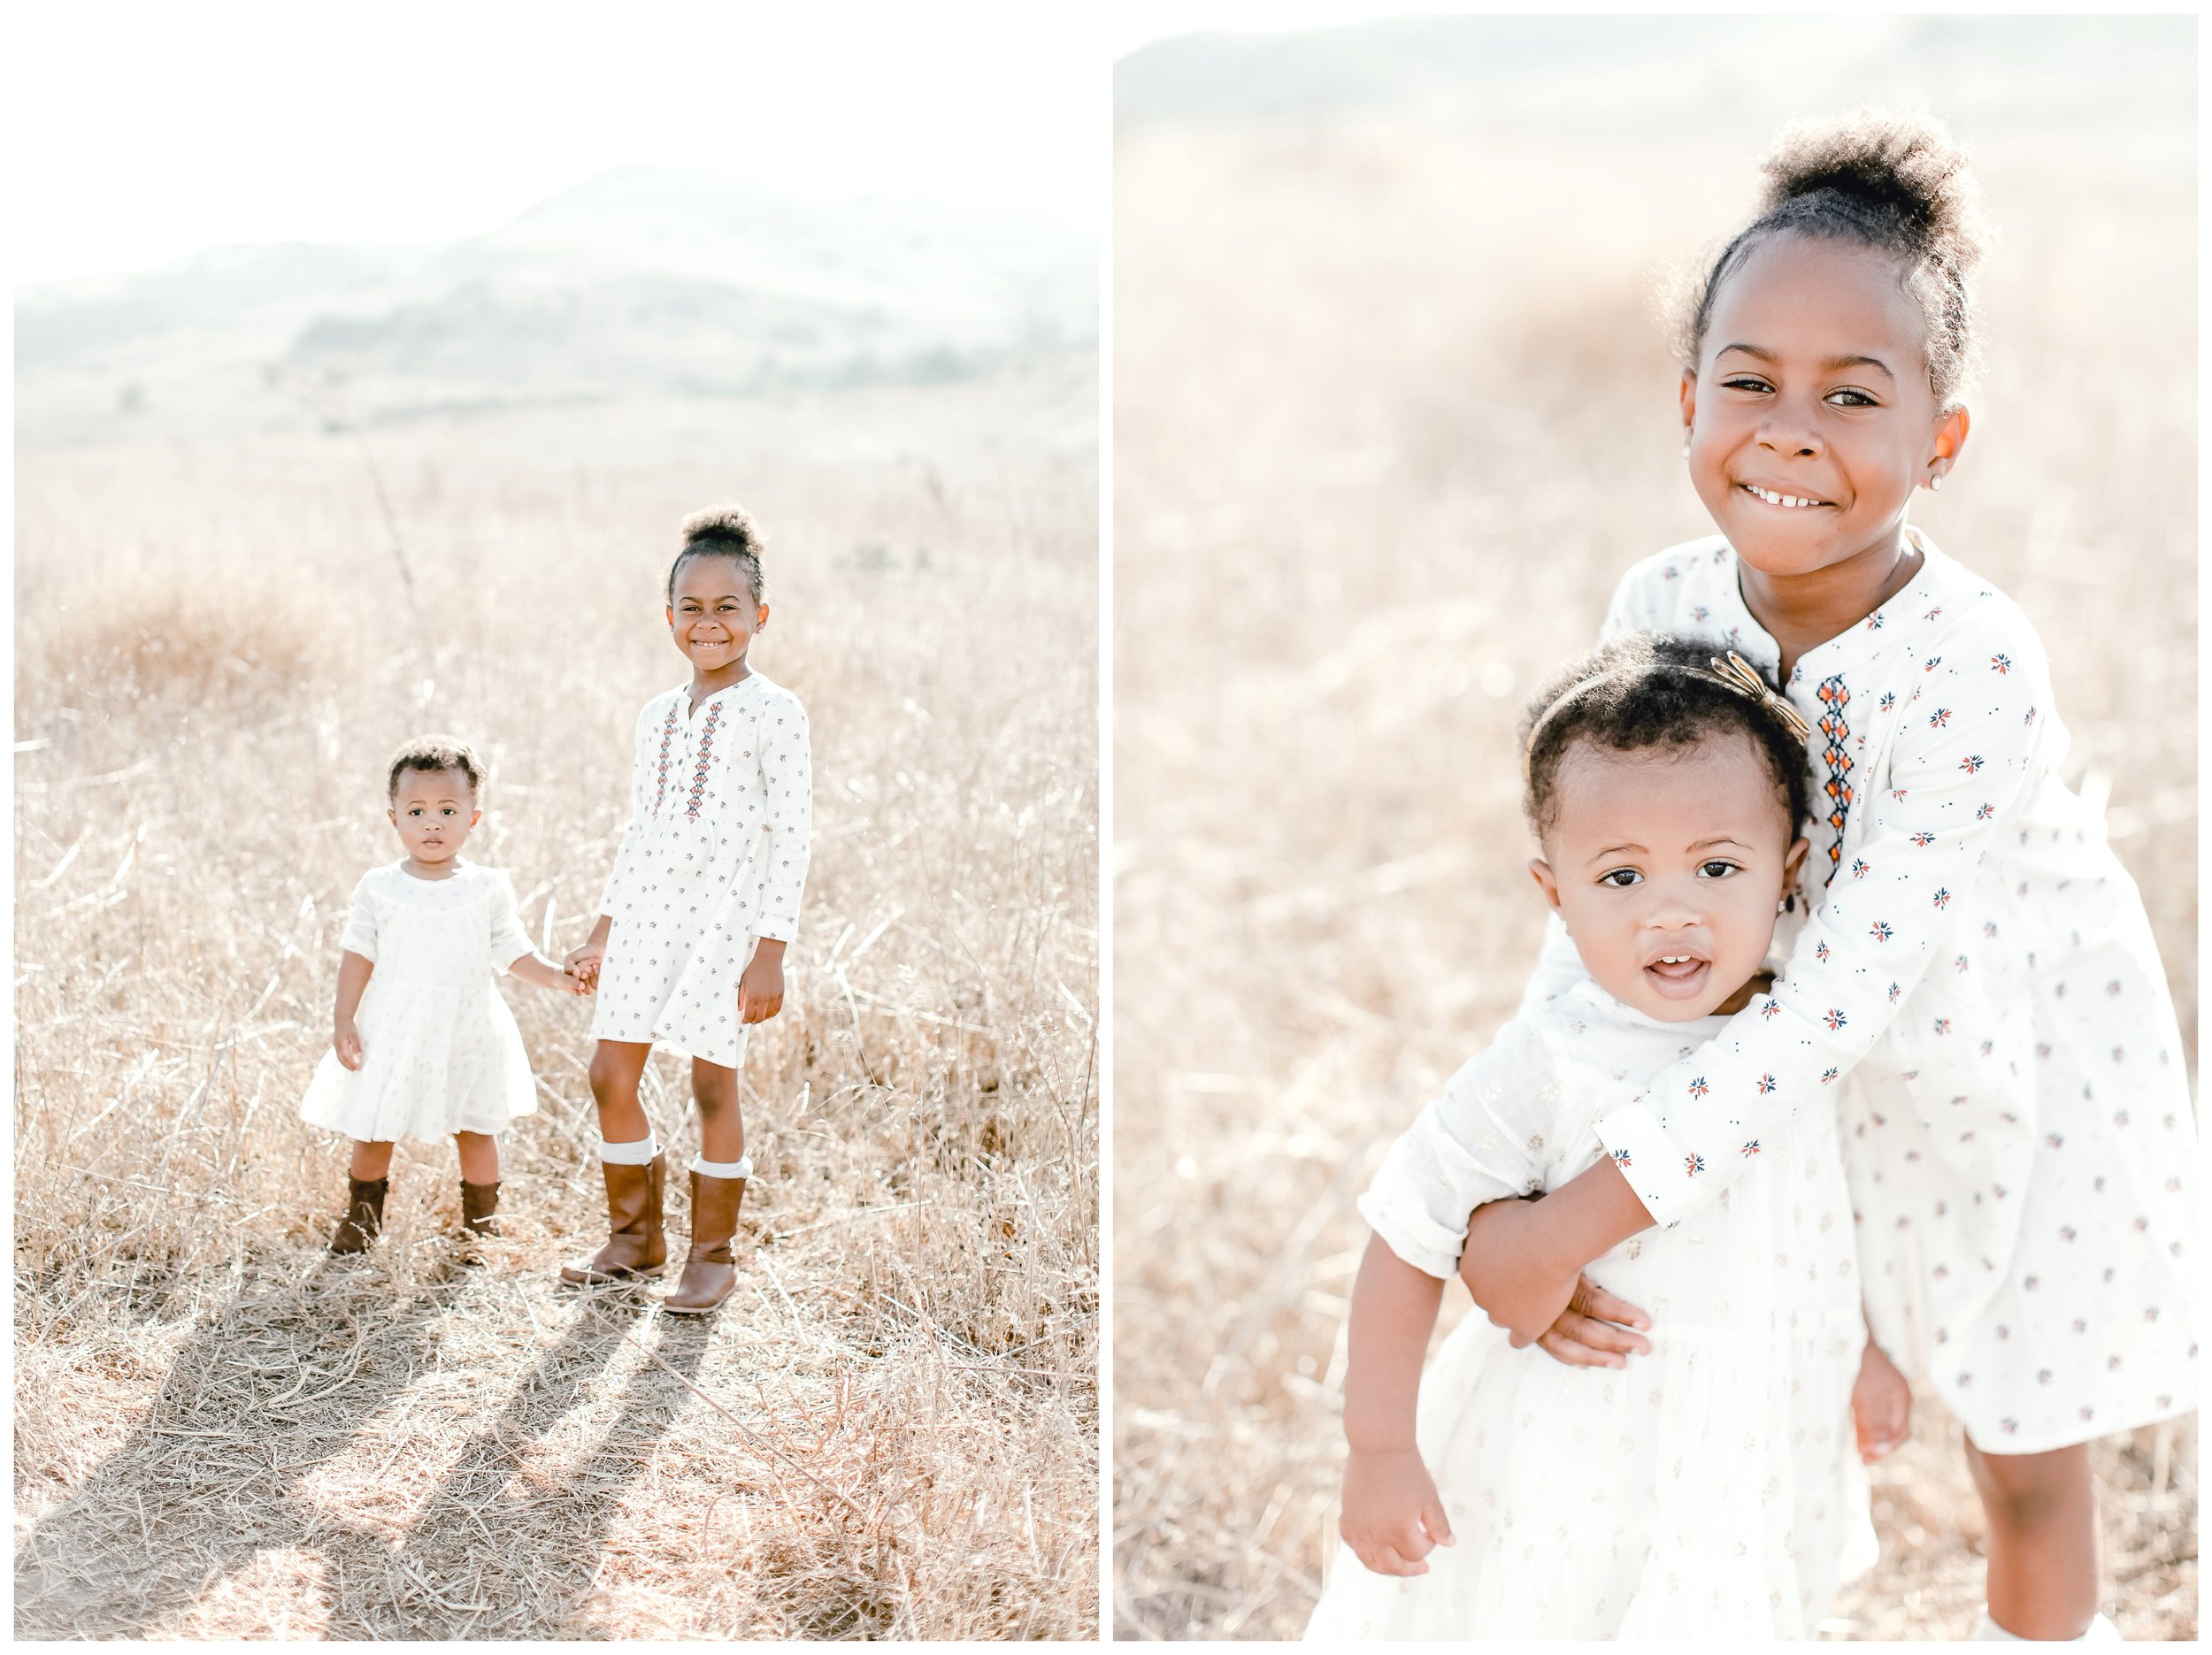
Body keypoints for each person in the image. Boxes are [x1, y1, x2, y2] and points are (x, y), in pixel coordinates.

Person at [1455, 109, 2193, 1642]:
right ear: (1684, 400)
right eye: (1749, 382)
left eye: (1853, 395)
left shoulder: (1977, 657)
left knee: (2026, 1456)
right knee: (1748, 1404)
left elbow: (1850, 991)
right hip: (1770, 1088)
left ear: (1941, 439)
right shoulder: (1659, 600)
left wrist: (1570, 1220)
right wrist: (1520, 1165)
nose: (1790, 430)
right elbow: (1606, 887)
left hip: (2011, 1076)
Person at [1306, 634, 1886, 1639]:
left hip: (1741, 1451)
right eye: (1620, 877)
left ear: (1788, 870)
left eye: (1716, 866)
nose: (1672, 911)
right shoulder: (1551, 1063)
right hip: (1565, 1461)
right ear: (1555, 896)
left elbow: (1830, 1218)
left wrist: (1873, 1349)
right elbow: (1407, 1232)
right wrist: (1379, 1449)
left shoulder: (1799, 1045)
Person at [561, 504, 812, 1315]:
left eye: (727, 608)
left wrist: (771, 947)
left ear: (760, 616)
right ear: (669, 616)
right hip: (645, 917)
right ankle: (635, 1237)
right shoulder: (656, 716)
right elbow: (641, 829)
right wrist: (603, 927)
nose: (709, 624)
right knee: (609, 1072)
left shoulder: (777, 710)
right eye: (692, 609)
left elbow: (793, 834)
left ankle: (713, 1255)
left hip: (726, 928)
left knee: (712, 1086)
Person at [303, 736, 587, 1253]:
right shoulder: (379, 886)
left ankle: (481, 1227)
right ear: (393, 818)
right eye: (416, 810)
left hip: (468, 1028)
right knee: (374, 1127)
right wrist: (344, 1019)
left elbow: (514, 952)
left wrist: (557, 976)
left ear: (474, 818)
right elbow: (358, 955)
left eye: (448, 810)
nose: (432, 822)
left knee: (476, 1126)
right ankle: (360, 1223)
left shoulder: (488, 887)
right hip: (392, 1025)